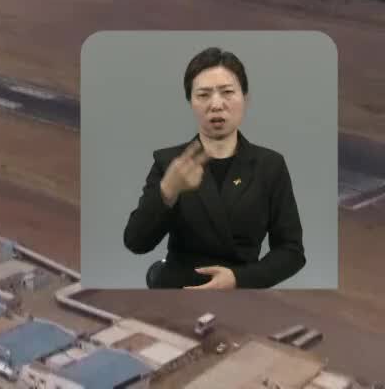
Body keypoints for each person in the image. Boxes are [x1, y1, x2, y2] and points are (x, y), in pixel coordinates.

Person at [122, 47, 305, 289]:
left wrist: (240, 279)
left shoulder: (270, 166)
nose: (216, 105)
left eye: (227, 92)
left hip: (241, 293)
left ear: (245, 98)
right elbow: (136, 242)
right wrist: (167, 191)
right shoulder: (169, 162)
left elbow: (291, 252)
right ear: (190, 102)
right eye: (203, 95)